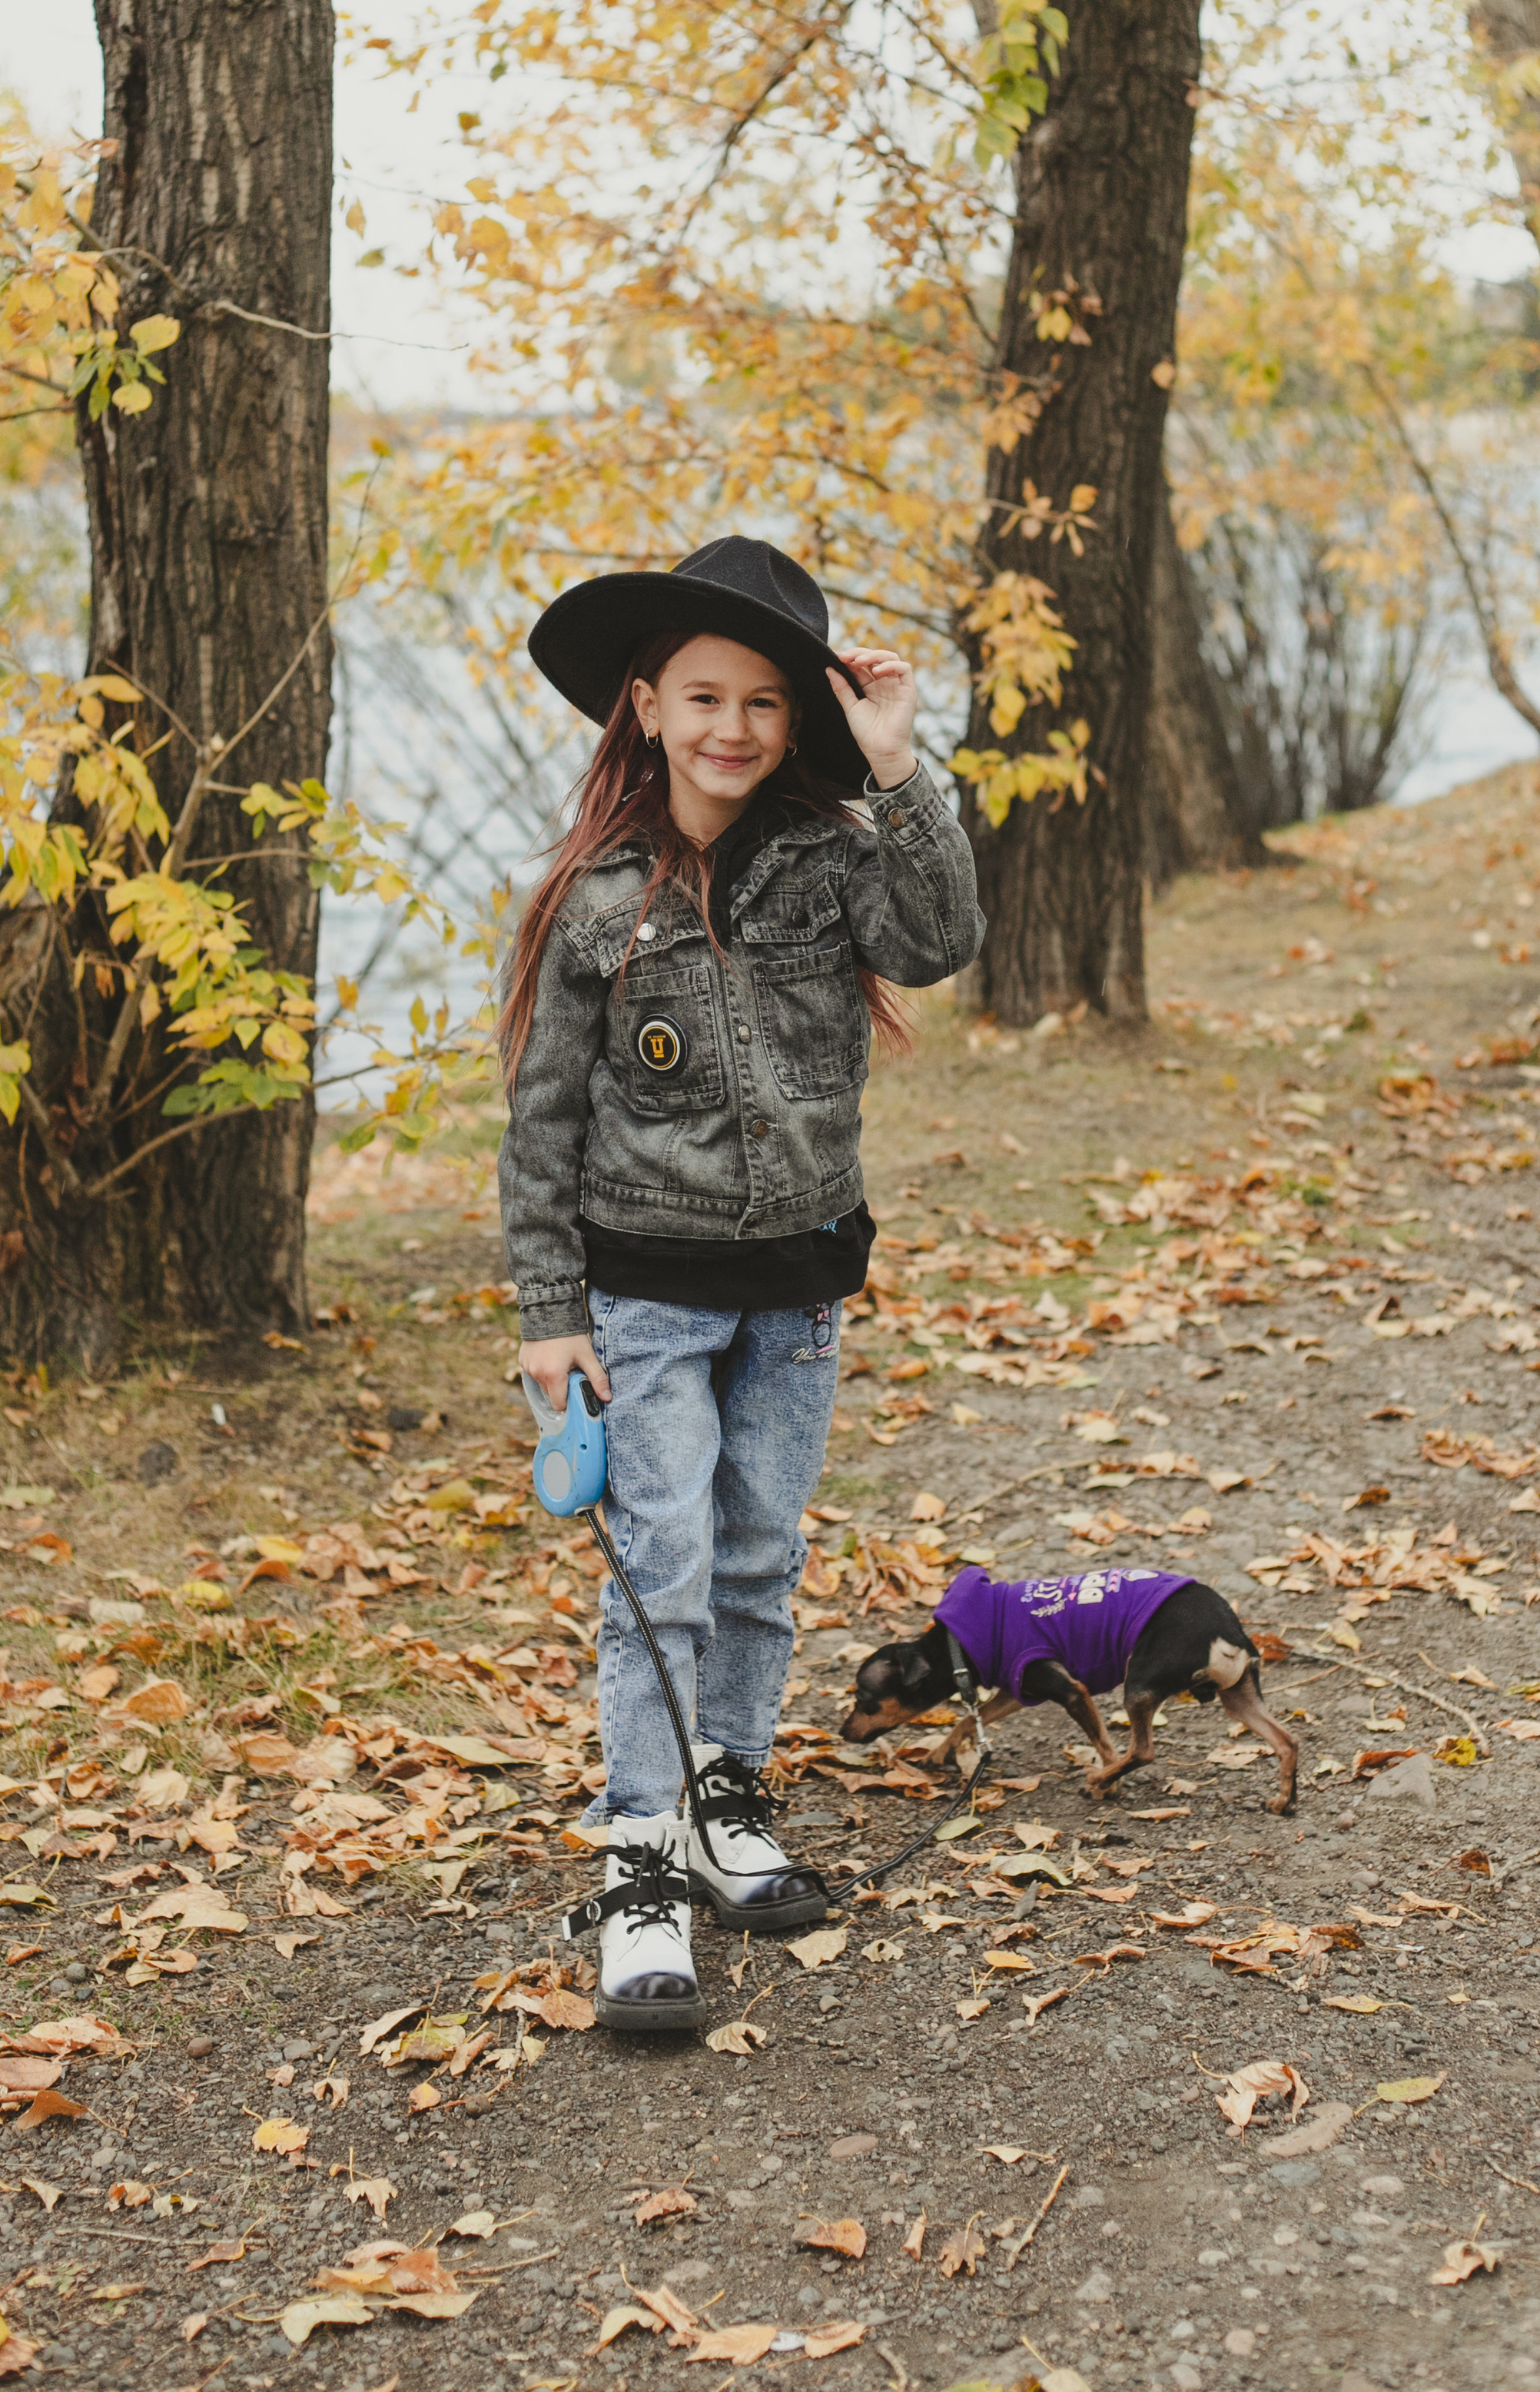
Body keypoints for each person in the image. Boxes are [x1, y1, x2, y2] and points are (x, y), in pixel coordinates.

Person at [498, 536, 984, 2031]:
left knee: (760, 1554)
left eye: (766, 702)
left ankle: (727, 1799)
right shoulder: (593, 898)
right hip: (644, 1296)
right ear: (645, 707)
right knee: (663, 1563)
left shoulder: (836, 861)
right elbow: (542, 1120)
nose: (732, 728)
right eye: (703, 697)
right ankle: (641, 1861)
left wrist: (897, 767)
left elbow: (943, 936)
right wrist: (548, 1313)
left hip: (797, 1289)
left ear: (798, 719)